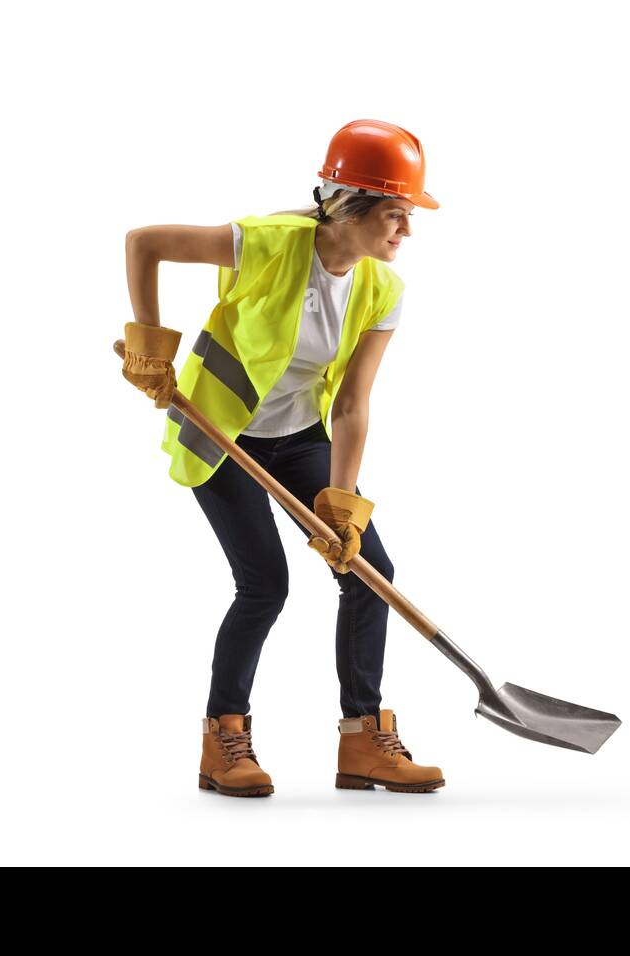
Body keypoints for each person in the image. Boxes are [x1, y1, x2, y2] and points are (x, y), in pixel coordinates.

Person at [116, 120, 446, 797]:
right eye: (394, 214)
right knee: (264, 585)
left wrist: (342, 506)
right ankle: (223, 740)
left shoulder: (383, 291)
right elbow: (143, 243)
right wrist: (151, 348)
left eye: (409, 216)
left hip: (299, 438)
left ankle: (363, 740)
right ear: (350, 205)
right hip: (221, 433)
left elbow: (352, 406)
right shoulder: (264, 244)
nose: (406, 231)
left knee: (368, 568)